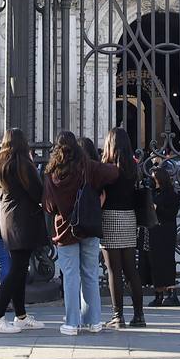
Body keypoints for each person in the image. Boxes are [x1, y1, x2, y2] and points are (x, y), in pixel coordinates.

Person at [44, 130, 119, 335]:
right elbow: (114, 173)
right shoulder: (88, 168)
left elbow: (49, 207)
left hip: (65, 230)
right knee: (90, 274)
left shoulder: (53, 173)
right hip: (89, 226)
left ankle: (71, 323)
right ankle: (94, 321)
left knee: (70, 276)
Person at [0, 128, 48, 333]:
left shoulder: (0, 163)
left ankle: (20, 316)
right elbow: (38, 193)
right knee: (16, 271)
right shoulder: (23, 164)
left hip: (8, 221)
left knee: (19, 270)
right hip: (22, 222)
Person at [99, 128, 147, 328]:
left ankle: (118, 316)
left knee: (113, 271)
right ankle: (139, 315)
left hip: (110, 217)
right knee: (131, 270)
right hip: (129, 218)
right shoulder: (133, 168)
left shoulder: (107, 169)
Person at [145, 165, 180, 307]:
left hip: (165, 232)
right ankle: (158, 294)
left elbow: (171, 214)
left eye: (155, 178)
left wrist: (157, 208)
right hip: (153, 231)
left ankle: (171, 293)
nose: (153, 181)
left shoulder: (171, 194)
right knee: (154, 263)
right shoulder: (153, 193)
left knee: (166, 262)